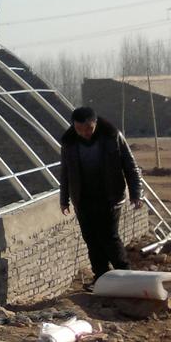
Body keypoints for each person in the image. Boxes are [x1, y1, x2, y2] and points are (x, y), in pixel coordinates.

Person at [59, 106, 143, 287]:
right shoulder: (69, 143)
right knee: (91, 240)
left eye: (89, 128)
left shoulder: (112, 137)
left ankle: (126, 277)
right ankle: (101, 278)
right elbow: (65, 173)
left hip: (110, 197)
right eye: (79, 129)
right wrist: (64, 199)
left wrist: (136, 193)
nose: (85, 133)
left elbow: (130, 166)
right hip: (83, 199)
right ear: (74, 126)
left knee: (109, 237)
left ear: (95, 123)